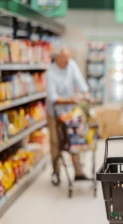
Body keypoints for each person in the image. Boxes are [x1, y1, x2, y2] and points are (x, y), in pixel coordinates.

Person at [46, 47, 91, 182]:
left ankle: (78, 171)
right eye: (64, 58)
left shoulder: (71, 65)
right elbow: (53, 97)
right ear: (57, 58)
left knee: (74, 138)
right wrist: (70, 99)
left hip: (70, 111)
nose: (67, 60)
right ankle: (56, 172)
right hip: (55, 112)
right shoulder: (50, 73)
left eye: (68, 57)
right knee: (55, 141)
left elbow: (80, 81)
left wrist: (86, 94)